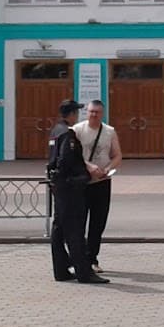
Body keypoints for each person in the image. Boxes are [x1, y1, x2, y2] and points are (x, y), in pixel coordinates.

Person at [47, 99, 106, 285]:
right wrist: (80, 178)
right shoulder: (68, 134)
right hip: (69, 189)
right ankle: (84, 272)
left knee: (59, 229)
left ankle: (61, 270)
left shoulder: (55, 131)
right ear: (71, 114)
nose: (77, 115)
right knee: (75, 231)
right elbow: (66, 161)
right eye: (76, 112)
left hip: (58, 186)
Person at [73, 99, 122, 273]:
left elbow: (117, 156)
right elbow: (73, 155)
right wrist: (89, 166)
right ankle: (78, 259)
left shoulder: (109, 132)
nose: (94, 115)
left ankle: (92, 258)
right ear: (87, 112)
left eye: (97, 112)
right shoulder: (77, 130)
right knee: (79, 221)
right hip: (82, 182)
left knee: (98, 222)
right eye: (91, 112)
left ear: (102, 113)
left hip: (102, 182)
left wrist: (107, 169)